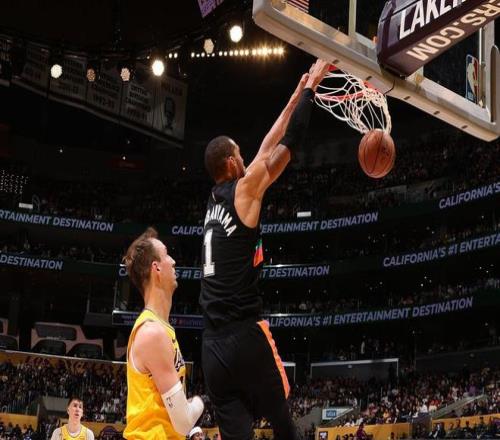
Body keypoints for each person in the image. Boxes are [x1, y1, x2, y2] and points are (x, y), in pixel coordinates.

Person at [200, 59, 330, 439]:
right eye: (240, 155)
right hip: (245, 335)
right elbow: (289, 143)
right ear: (231, 162)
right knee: (282, 421)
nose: (247, 159)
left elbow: (263, 149)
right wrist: (311, 90)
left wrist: (292, 98)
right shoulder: (245, 190)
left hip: (211, 348)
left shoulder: (213, 201)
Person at [123, 228, 204, 439]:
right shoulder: (152, 333)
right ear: (156, 268)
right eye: (167, 254)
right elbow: (183, 422)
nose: (174, 261)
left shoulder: (160, 329)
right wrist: (201, 401)